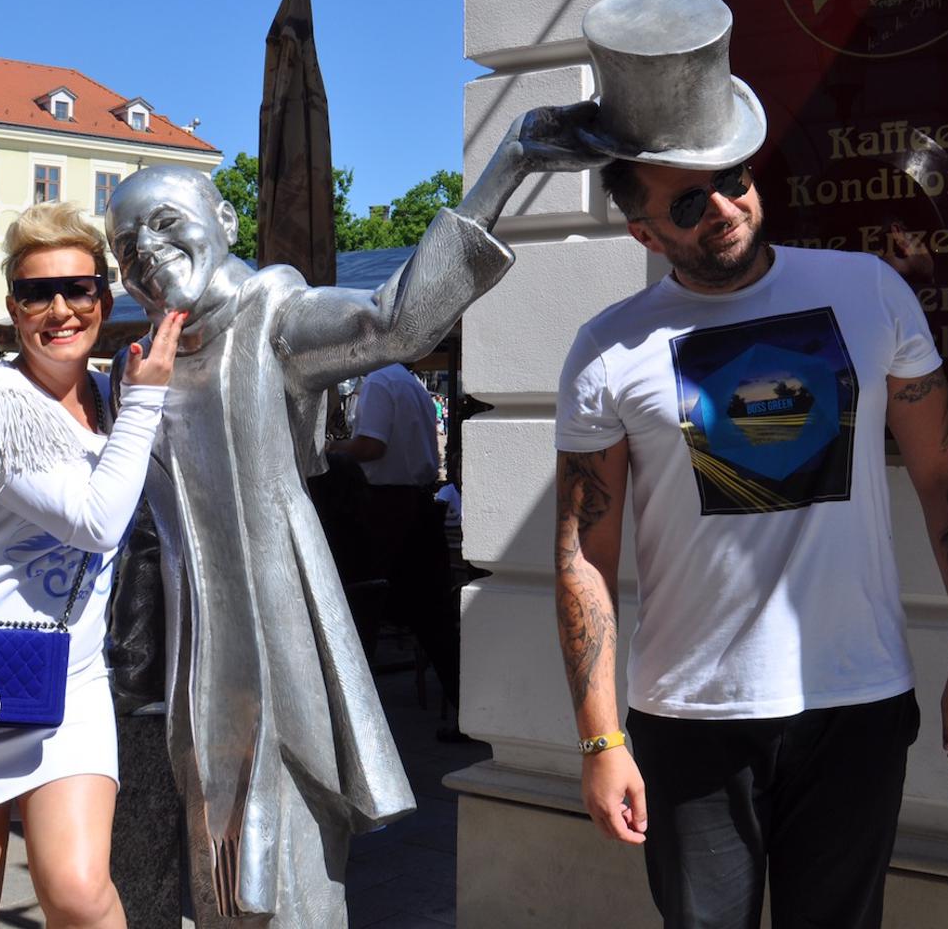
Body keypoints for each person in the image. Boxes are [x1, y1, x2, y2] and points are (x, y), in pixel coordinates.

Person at [550, 0, 948, 928]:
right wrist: (599, 738)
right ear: (643, 231)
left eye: (735, 177)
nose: (724, 205)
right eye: (689, 201)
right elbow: (584, 555)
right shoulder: (609, 349)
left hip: (857, 700)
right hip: (691, 720)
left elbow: (947, 479)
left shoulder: (869, 294)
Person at [104, 113, 592, 926]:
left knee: (284, 883)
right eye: (126, 246)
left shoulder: (274, 317)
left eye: (163, 223)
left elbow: (392, 322)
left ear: (224, 220)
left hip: (276, 652)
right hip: (196, 670)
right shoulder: (151, 364)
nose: (145, 252)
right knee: (219, 885)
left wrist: (506, 168)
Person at [0, 200, 182, 929]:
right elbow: (94, 523)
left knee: (80, 894)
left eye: (77, 289)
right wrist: (148, 398)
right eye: (35, 294)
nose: (59, 310)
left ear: (102, 299)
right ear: (12, 307)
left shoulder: (111, 394)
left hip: (71, 675)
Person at [331, 363, 459, 724]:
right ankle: (464, 706)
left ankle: (353, 712)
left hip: (387, 507)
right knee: (434, 618)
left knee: (361, 608)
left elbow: (372, 446)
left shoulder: (378, 382)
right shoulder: (411, 384)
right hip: (418, 505)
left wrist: (330, 448)